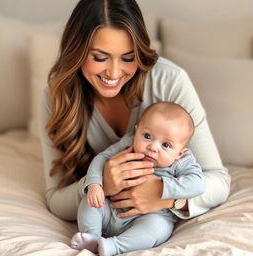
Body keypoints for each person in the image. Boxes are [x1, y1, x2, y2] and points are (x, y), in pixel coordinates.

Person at [39, 0, 230, 242]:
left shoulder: (169, 82)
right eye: (100, 57)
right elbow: (55, 198)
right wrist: (100, 184)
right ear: (76, 51)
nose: (114, 72)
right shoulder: (57, 95)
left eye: (128, 58)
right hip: (104, 206)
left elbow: (218, 180)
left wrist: (165, 197)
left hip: (153, 214)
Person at [71, 102, 205, 255]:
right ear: (136, 131)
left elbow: (198, 184)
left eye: (166, 145)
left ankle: (113, 246)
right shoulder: (129, 143)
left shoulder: (182, 162)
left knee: (158, 228)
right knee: (89, 202)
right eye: (147, 136)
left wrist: (161, 188)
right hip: (112, 208)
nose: (153, 147)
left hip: (148, 216)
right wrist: (95, 184)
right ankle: (92, 238)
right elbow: (102, 158)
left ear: (180, 153)